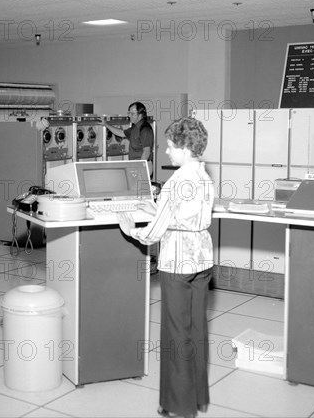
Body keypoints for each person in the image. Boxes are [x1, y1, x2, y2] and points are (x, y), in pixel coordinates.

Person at [116, 116, 214, 418]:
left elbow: (155, 233)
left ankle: (177, 406)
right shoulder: (203, 177)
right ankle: (198, 398)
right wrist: (156, 208)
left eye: (171, 147)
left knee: (175, 333)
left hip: (177, 263)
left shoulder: (176, 182)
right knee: (196, 329)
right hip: (202, 261)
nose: (167, 152)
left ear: (185, 148)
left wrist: (130, 227)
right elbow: (186, 215)